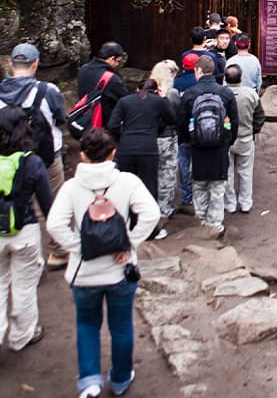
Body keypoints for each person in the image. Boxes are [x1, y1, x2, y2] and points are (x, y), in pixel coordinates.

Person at [47, 127, 159, 398]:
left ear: (82, 156)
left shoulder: (72, 187)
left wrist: (81, 248)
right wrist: (128, 243)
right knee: (121, 325)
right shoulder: (127, 182)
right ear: (113, 153)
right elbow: (151, 214)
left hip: (84, 274)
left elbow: (54, 224)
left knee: (87, 325)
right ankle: (120, 379)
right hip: (120, 270)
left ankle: (90, 381)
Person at [0, 42, 68, 269]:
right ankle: (57, 252)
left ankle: (25, 253)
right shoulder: (47, 91)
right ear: (36, 63)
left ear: (10, 63)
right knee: (53, 203)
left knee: (15, 200)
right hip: (46, 156)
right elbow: (60, 119)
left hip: (7, 160)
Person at [0, 105, 53, 352]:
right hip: (25, 229)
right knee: (23, 285)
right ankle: (23, 335)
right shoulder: (31, 162)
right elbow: (46, 202)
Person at [107, 78, 176, 240]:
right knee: (148, 188)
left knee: (123, 188)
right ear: (156, 90)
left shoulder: (124, 101)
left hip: (125, 149)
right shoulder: (158, 101)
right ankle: (150, 230)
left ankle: (124, 225)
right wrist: (163, 100)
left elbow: (113, 125)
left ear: (138, 89)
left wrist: (122, 137)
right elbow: (172, 119)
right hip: (147, 149)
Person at [178, 55, 237, 236]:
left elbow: (181, 123)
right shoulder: (226, 93)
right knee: (218, 187)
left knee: (200, 185)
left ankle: (202, 222)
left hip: (198, 148)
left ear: (198, 70)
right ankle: (216, 224)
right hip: (220, 148)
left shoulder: (190, 94)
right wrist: (228, 141)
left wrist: (188, 140)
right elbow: (233, 121)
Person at [224, 64, 265, 215]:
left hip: (226, 139)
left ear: (225, 78)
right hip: (246, 137)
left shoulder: (221, 94)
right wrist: (253, 130)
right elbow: (260, 116)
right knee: (245, 172)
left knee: (227, 173)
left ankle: (229, 204)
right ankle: (245, 203)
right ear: (241, 78)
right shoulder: (250, 94)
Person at [149, 60, 181, 219]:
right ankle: (164, 207)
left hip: (149, 137)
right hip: (168, 137)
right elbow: (177, 116)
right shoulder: (172, 94)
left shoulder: (144, 91)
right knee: (167, 172)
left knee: (151, 173)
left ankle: (150, 205)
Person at [76, 42, 131, 128]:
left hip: (84, 120)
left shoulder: (83, 69)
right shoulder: (111, 79)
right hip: (102, 125)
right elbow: (126, 100)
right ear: (112, 59)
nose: (117, 64)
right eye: (118, 61)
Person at [173, 52, 202, 213]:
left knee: (183, 161)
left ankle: (186, 195)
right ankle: (200, 193)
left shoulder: (175, 82)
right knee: (199, 159)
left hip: (181, 126)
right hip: (200, 127)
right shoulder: (199, 83)